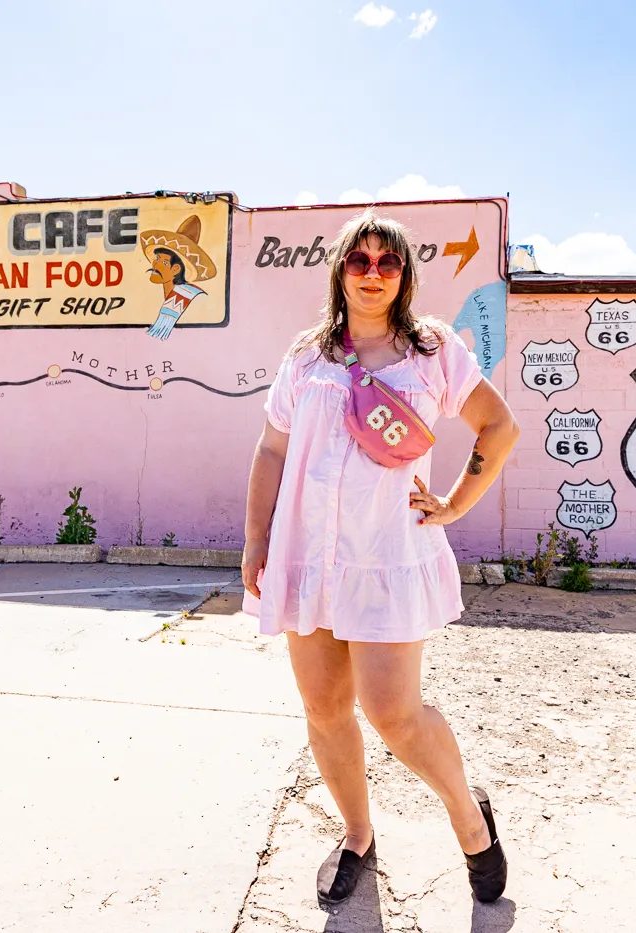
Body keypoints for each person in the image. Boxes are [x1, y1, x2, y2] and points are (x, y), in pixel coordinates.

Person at [242, 210, 521, 907]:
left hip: (387, 554)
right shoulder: (307, 357)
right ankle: (359, 833)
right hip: (308, 555)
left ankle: (467, 814)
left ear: (404, 275)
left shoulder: (433, 352)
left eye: (386, 262)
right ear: (340, 271)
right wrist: (256, 539)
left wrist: (454, 503)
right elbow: (272, 448)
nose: (372, 272)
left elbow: (500, 424)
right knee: (324, 705)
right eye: (358, 260)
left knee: (394, 714)